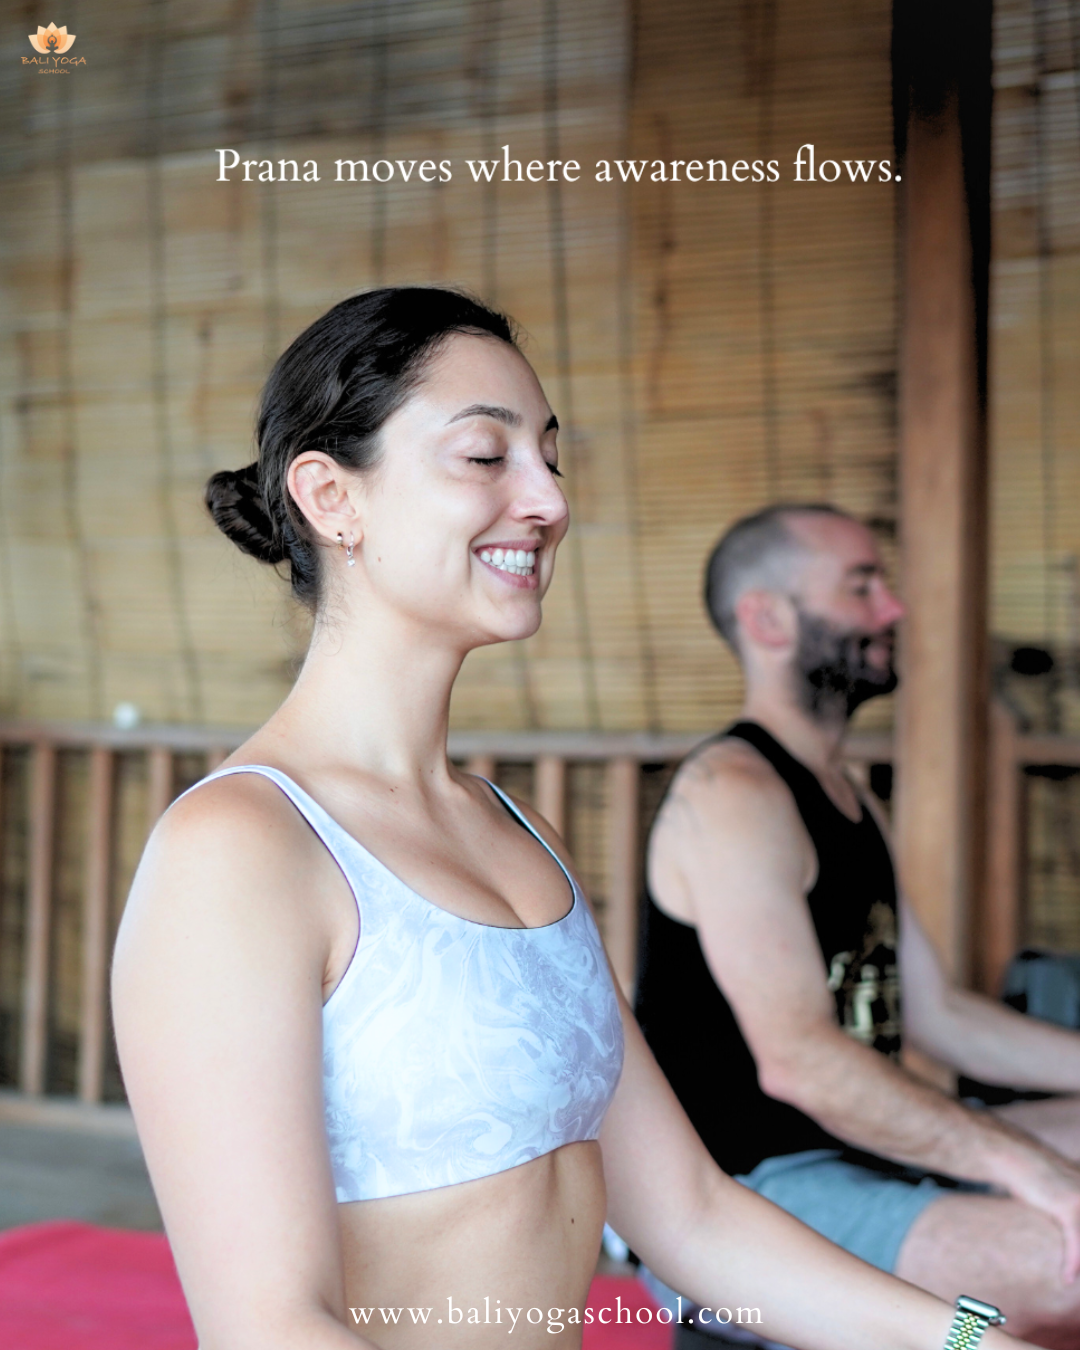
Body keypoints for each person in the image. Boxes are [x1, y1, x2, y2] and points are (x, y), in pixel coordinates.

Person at [112, 293, 1028, 1350]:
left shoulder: (520, 834)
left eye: (549, 457)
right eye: (484, 456)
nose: (547, 499)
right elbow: (269, 1327)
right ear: (330, 496)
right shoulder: (238, 849)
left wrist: (971, 1342)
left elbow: (693, 1217)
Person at [634, 502, 1080, 1348]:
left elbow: (941, 1016)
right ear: (768, 619)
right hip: (748, 1197)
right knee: (1061, 1281)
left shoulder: (852, 800)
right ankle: (951, 1338)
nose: (894, 608)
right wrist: (1029, 1169)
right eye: (862, 586)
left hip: (863, 1153)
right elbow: (799, 1061)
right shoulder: (733, 795)